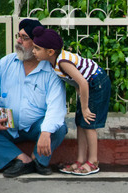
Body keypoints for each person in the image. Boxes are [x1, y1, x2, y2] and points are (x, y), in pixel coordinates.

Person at [32, 26, 111, 176]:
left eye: (37, 48)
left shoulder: (62, 62)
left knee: (89, 123)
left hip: (97, 83)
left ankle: (93, 161)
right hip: (89, 86)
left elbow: (83, 82)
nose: (33, 51)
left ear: (50, 52)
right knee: (80, 123)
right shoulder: (52, 61)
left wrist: (85, 107)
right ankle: (81, 160)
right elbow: (78, 82)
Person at [0, 19, 67, 178]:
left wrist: (46, 131)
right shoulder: (6, 63)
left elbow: (57, 106)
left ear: (36, 43)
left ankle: (38, 161)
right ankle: (21, 160)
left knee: (59, 128)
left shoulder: (50, 71)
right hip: (6, 123)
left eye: (24, 38)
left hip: (36, 126)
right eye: (18, 36)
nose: (18, 41)